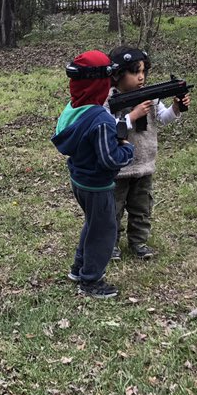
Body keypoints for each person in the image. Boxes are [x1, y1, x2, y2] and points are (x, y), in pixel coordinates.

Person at [51, 50, 135, 299]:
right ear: (101, 84)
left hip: (79, 180)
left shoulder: (72, 109)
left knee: (93, 224)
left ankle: (79, 268)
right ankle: (91, 280)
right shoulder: (100, 120)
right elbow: (110, 160)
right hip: (98, 186)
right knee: (104, 232)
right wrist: (127, 149)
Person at [106, 46, 190, 259]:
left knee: (142, 208)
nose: (141, 77)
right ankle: (110, 244)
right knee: (113, 209)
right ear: (117, 74)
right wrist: (132, 116)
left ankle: (139, 242)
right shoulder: (108, 100)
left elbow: (164, 118)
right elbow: (107, 128)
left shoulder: (150, 97)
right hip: (118, 167)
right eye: (135, 72)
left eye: (143, 71)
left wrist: (176, 107)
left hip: (144, 163)